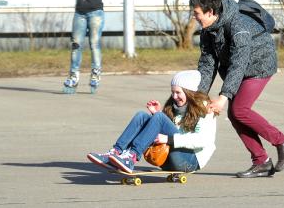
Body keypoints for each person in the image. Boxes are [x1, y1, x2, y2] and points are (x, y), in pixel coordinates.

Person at [189, 0, 284, 178]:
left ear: (211, 12)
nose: (194, 17)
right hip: (238, 68)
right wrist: (199, 97)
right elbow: (207, 64)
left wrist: (223, 97)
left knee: (239, 110)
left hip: (259, 65)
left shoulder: (239, 26)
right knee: (235, 114)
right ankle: (261, 162)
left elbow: (239, 64)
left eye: (197, 13)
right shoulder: (208, 30)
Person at [87, 70, 217, 173]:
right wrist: (156, 114)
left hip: (190, 161)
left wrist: (168, 139)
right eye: (172, 92)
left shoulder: (205, 109)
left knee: (159, 117)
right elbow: (172, 128)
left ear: (190, 93)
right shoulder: (175, 106)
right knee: (142, 116)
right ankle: (115, 153)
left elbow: (202, 140)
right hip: (169, 157)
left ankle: (131, 157)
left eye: (178, 92)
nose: (174, 97)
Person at [57, 0, 108, 93]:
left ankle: (95, 74)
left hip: (95, 13)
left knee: (94, 44)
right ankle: (73, 76)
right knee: (76, 44)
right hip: (80, 13)